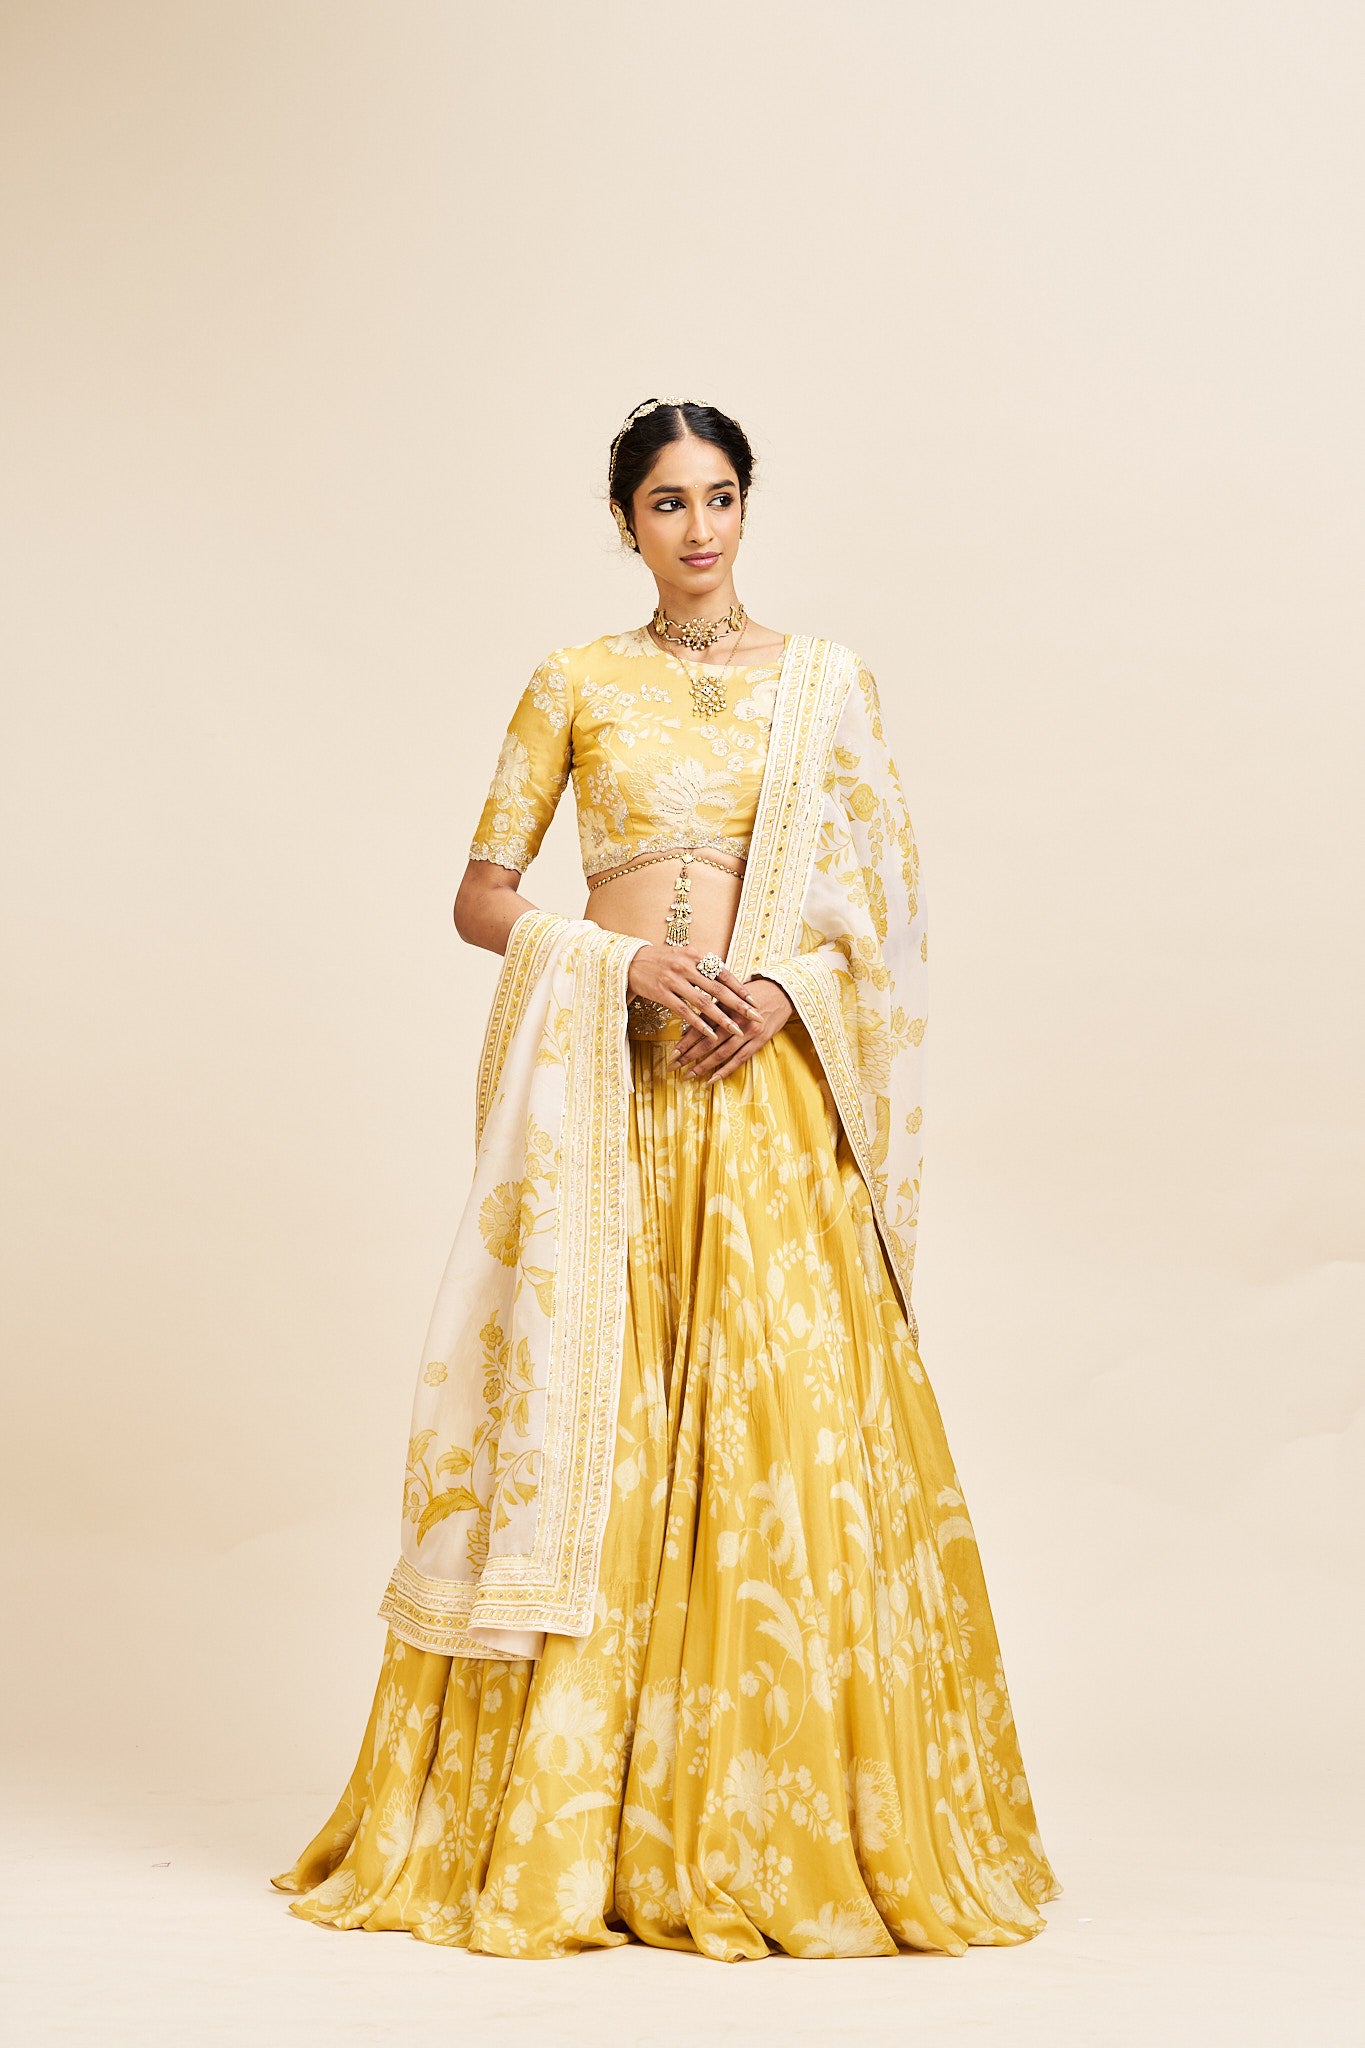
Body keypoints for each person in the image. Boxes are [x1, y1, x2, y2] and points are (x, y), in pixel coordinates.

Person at [269, 397, 1062, 1961]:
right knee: (601, 1418)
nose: (697, 529)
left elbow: (880, 907)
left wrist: (780, 991)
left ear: (747, 507)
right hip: (612, 1092)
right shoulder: (574, 681)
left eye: (718, 498)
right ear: (625, 521)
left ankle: (769, 1816)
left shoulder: (826, 684)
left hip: (766, 1082)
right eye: (665, 503)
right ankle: (584, 1821)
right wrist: (619, 964)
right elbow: (481, 897)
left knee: (787, 1427)